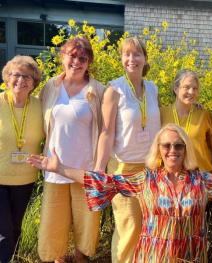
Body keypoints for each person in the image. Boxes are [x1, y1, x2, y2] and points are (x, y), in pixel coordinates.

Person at [28, 123, 212, 263]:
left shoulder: (201, 180)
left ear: (185, 149)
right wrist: (61, 167)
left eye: (178, 146)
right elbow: (103, 180)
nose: (172, 151)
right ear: (159, 149)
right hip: (153, 256)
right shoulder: (145, 179)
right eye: (166, 146)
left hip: (192, 255)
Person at [94, 37, 160, 262]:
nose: (132, 59)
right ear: (122, 58)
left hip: (151, 169)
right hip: (123, 167)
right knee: (128, 226)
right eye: (127, 54)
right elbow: (106, 131)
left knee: (149, 226)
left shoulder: (153, 88)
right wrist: (99, 170)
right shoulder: (114, 89)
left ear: (145, 58)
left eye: (137, 54)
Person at [39, 36, 104, 263]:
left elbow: (109, 127)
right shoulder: (50, 87)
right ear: (62, 57)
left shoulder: (98, 90)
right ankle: (57, 259)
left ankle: (80, 259)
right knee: (53, 224)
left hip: (83, 170)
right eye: (72, 56)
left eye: (83, 58)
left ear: (89, 63)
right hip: (54, 168)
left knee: (86, 223)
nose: (76, 62)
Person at [0, 55, 44, 262]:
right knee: (5, 230)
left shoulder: (40, 107)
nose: (21, 80)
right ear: (8, 78)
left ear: (34, 83)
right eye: (16, 75)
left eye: (28, 76)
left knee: (15, 229)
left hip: (25, 179)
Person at [160, 69, 212, 172]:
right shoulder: (162, 114)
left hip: (201, 176)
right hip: (173, 177)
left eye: (195, 88)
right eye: (186, 87)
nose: (191, 92)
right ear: (176, 88)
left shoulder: (203, 114)